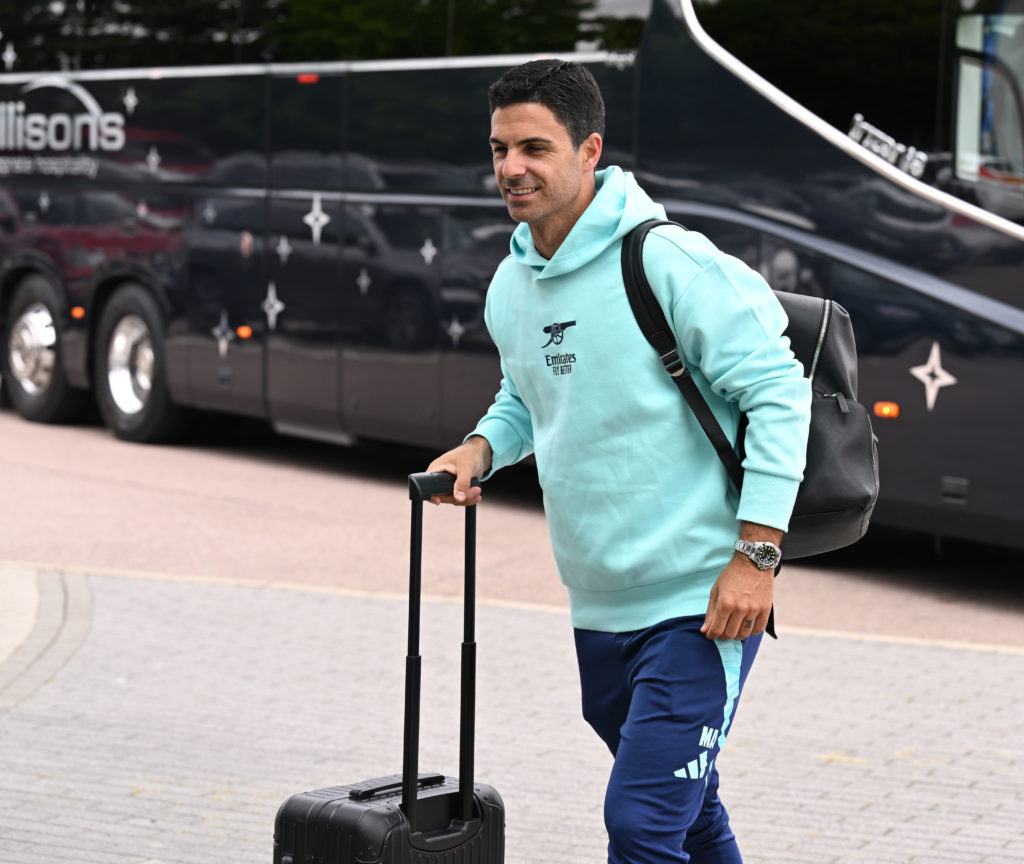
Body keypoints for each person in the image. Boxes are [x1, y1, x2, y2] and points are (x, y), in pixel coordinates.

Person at [426, 59, 811, 864]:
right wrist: (483, 446)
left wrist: (756, 557)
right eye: (499, 149)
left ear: (589, 149)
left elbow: (780, 391)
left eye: (534, 147)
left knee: (640, 824)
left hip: (702, 605)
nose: (511, 168)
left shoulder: (668, 262)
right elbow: (527, 397)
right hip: (597, 610)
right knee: (689, 814)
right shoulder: (512, 284)